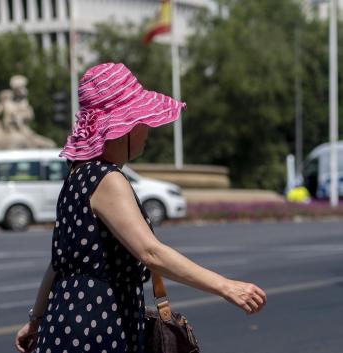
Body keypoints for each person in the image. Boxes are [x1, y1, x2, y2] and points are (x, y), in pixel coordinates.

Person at [15, 63, 267, 353]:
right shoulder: (107, 179)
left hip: (62, 327)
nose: (148, 128)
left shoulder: (76, 176)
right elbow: (151, 252)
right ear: (122, 129)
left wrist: (36, 320)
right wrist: (226, 286)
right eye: (141, 120)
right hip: (99, 329)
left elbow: (57, 265)